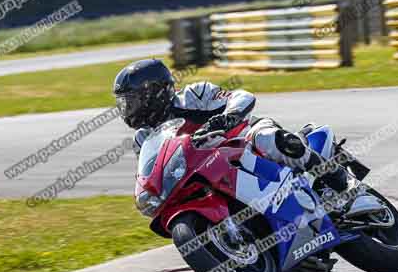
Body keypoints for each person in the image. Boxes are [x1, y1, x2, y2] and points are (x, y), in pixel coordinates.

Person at [112, 59, 348, 193]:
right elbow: (154, 176)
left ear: (153, 92)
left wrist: (229, 117)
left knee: (270, 139)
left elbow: (242, 96)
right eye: (124, 103)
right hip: (212, 173)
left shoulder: (194, 95)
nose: (128, 109)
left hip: (245, 139)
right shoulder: (143, 139)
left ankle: (337, 179)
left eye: (131, 101)